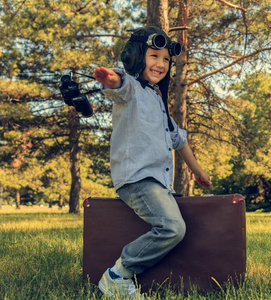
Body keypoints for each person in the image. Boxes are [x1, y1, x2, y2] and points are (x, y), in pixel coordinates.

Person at [93, 26, 211, 299]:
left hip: (156, 183)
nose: (160, 64)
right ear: (136, 56)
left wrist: (199, 172)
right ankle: (117, 275)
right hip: (136, 179)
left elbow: (179, 140)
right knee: (172, 227)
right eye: (153, 56)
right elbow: (118, 85)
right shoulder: (132, 89)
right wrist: (110, 78)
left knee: (173, 225)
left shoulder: (158, 99)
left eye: (166, 60)